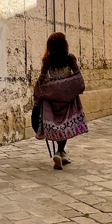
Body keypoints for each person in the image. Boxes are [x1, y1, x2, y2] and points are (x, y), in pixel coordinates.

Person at [34, 32, 88, 170]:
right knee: (65, 125)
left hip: (52, 101)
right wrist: (67, 86)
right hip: (68, 100)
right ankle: (59, 152)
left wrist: (46, 93)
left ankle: (62, 153)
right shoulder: (70, 59)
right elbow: (78, 78)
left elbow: (42, 80)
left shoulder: (47, 61)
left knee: (58, 126)